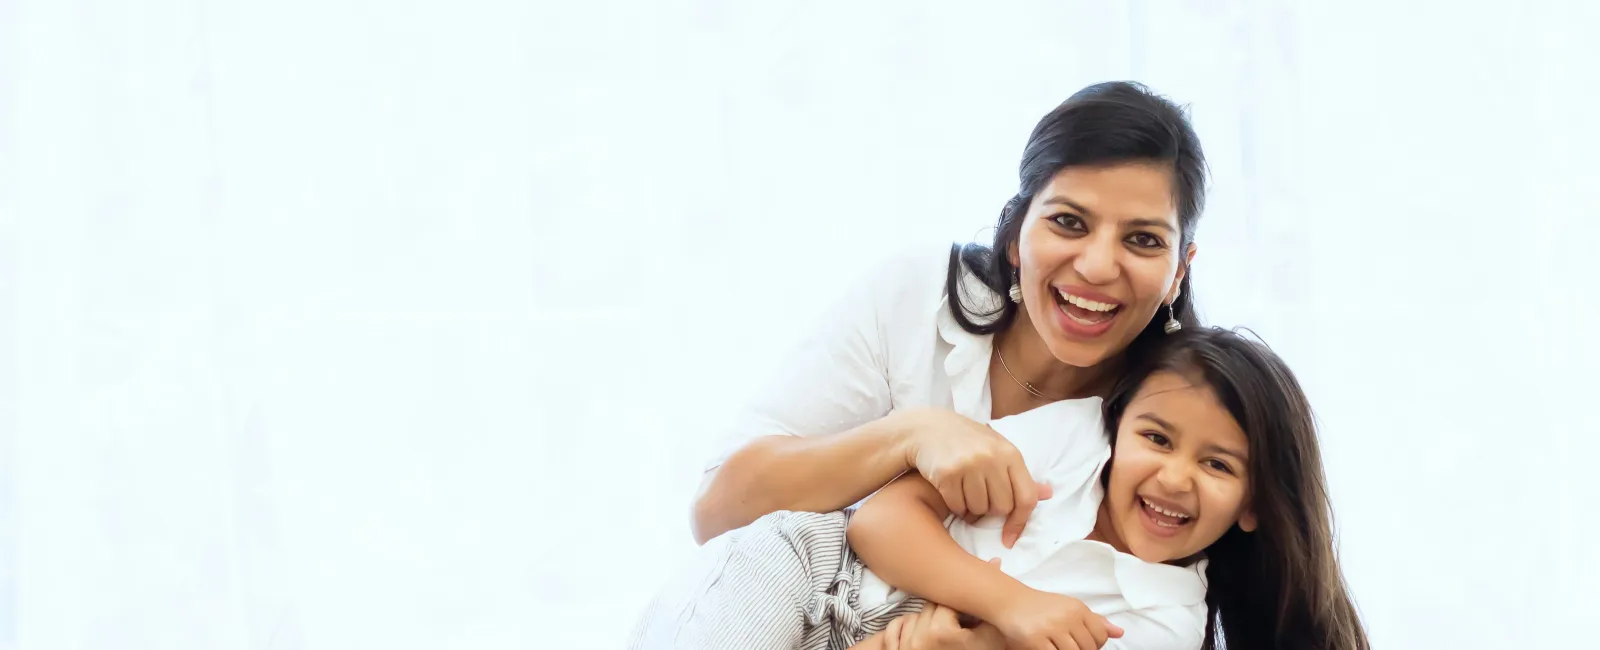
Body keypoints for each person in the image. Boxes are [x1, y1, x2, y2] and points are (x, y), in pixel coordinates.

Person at [693, 80, 1209, 555]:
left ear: (1179, 271)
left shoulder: (1190, 418)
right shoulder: (914, 297)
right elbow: (717, 512)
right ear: (1014, 235)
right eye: (1068, 222)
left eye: (1143, 240)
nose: (1096, 266)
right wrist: (911, 436)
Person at [628, 328, 1369, 650]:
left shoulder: (1166, 623)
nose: (1172, 475)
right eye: (1155, 439)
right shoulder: (1079, 438)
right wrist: (1011, 604)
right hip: (807, 571)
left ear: (1255, 507)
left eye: (1218, 465)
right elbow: (878, 523)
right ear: (1120, 429)